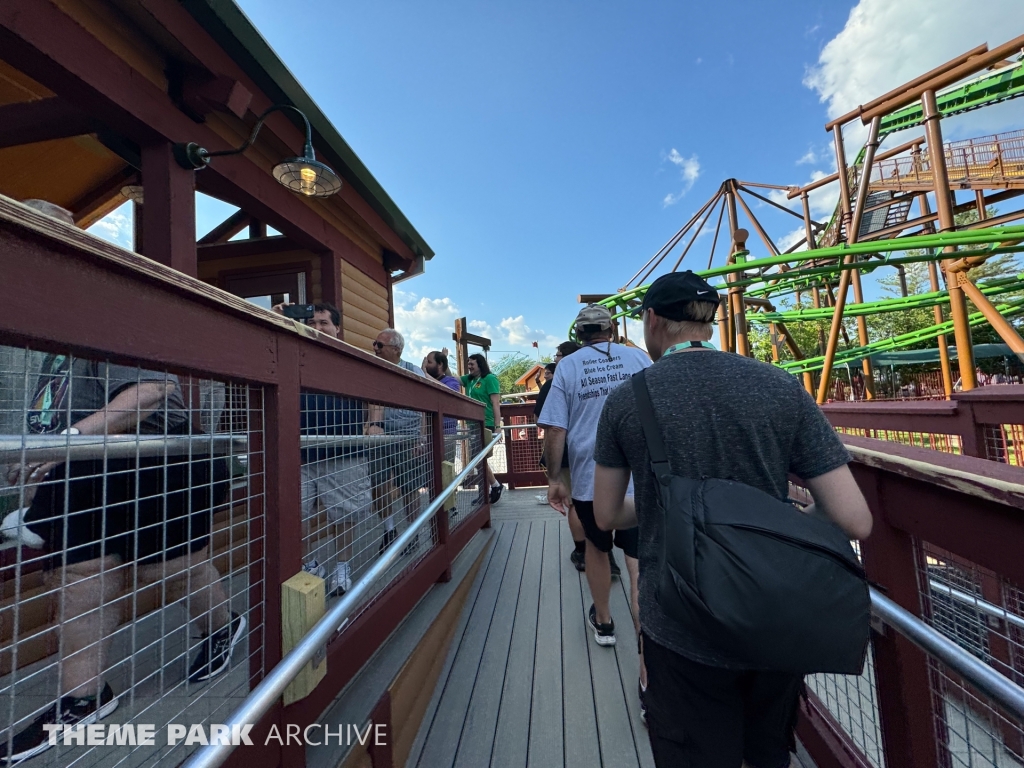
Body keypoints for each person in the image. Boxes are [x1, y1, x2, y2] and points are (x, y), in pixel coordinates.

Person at [592, 270, 872, 768]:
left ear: (653, 320)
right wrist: (794, 511)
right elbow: (854, 520)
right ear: (709, 321)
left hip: (678, 620)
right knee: (767, 752)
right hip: (771, 613)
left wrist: (662, 501)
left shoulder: (627, 401)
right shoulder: (779, 386)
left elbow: (609, 513)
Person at [3, 357, 241, 763]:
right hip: (85, 467)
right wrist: (38, 466)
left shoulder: (103, 306)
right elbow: (52, 412)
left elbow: (151, 391)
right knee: (78, 579)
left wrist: (65, 441)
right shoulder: (51, 345)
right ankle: (85, 698)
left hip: (160, 458)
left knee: (169, 572)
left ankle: (223, 626)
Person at [539, 306, 650, 650]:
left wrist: (554, 477)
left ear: (579, 334)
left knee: (597, 550)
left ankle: (604, 622)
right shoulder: (639, 360)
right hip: (639, 476)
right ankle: (647, 634)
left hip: (591, 477)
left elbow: (556, 426)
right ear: (611, 330)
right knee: (637, 561)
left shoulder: (567, 366)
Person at [293, 303, 372, 597]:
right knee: (295, 514)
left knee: (345, 514)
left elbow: (373, 396)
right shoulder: (294, 351)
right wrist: (275, 318)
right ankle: (309, 566)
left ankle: (342, 567)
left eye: (324, 322)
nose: (317, 326)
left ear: (337, 328)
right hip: (300, 454)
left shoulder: (350, 358)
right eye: (312, 322)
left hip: (344, 452)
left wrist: (374, 425)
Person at [366, 329, 430, 552]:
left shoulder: (412, 371)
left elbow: (426, 405)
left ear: (396, 349)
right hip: (379, 438)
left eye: (379, 345)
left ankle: (411, 534)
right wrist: (372, 425)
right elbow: (372, 400)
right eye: (374, 344)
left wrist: (421, 438)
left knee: (409, 487)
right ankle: (389, 530)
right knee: (379, 485)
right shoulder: (373, 369)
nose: (375, 348)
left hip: (407, 438)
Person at [460, 354, 503, 504]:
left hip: (486, 423)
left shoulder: (489, 379)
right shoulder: (469, 380)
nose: (469, 367)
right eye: (468, 364)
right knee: (479, 459)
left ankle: (493, 487)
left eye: (472, 364)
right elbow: (451, 380)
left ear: (480, 364)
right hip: (473, 423)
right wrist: (444, 360)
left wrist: (498, 427)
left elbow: (496, 403)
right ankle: (492, 488)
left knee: (479, 458)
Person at [423, 350, 462, 463]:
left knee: (446, 470)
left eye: (429, 362)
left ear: (440, 365)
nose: (425, 365)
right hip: (428, 434)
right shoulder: (426, 380)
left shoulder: (451, 381)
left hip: (446, 435)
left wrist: (425, 375)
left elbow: (450, 393)